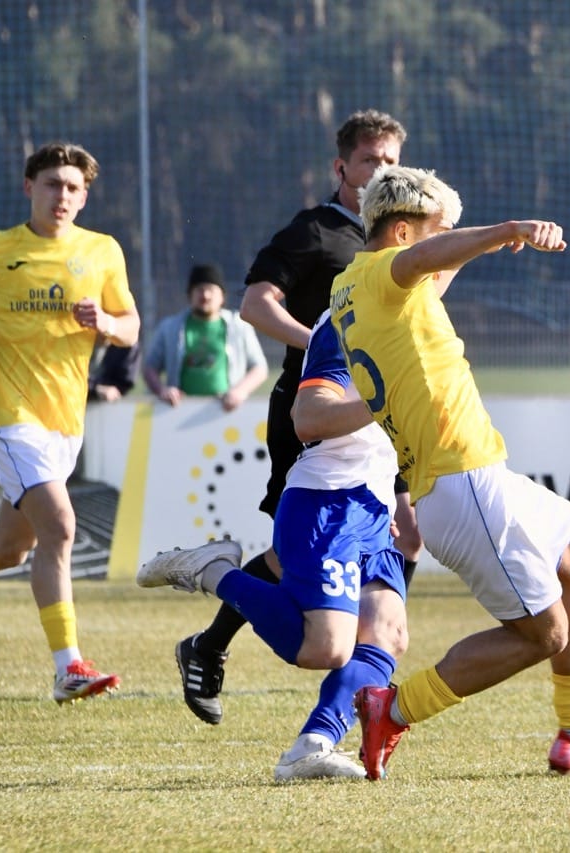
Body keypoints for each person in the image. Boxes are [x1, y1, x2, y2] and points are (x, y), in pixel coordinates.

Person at [330, 165, 570, 779]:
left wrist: (470, 247)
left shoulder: (353, 287)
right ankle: (394, 708)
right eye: (441, 228)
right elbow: (426, 259)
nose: (452, 236)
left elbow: (433, 268)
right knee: (543, 634)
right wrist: (506, 230)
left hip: (474, 477)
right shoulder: (387, 270)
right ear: (400, 234)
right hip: (463, 484)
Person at [171, 109, 416, 727]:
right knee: (298, 547)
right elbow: (255, 303)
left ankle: (341, 667)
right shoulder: (315, 232)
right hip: (314, 410)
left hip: (381, 415)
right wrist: (325, 345)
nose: (380, 171)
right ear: (341, 167)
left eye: (390, 160)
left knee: (386, 535)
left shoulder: (402, 239)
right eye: (368, 160)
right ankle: (234, 642)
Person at [138, 310, 411, 781]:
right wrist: (504, 232)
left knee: (388, 635)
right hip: (330, 498)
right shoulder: (346, 318)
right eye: (439, 232)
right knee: (325, 648)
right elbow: (308, 419)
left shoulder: (413, 313)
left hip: (374, 505)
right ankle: (213, 572)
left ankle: (313, 744)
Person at [0, 141, 140, 702]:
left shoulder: (102, 251)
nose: (62, 196)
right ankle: (68, 666)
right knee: (62, 528)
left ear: (85, 195)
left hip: (64, 424)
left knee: (8, 549)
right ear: (29, 187)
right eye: (52, 184)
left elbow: (132, 325)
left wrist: (109, 325)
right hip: (11, 416)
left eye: (73, 187)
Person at [142, 263, 268, 411]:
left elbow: (259, 368)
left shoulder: (239, 327)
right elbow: (150, 368)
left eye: (211, 290)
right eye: (199, 290)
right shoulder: (169, 327)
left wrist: (240, 391)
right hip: (177, 412)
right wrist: (163, 390)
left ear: (222, 296)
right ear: (190, 294)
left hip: (226, 412)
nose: (205, 295)